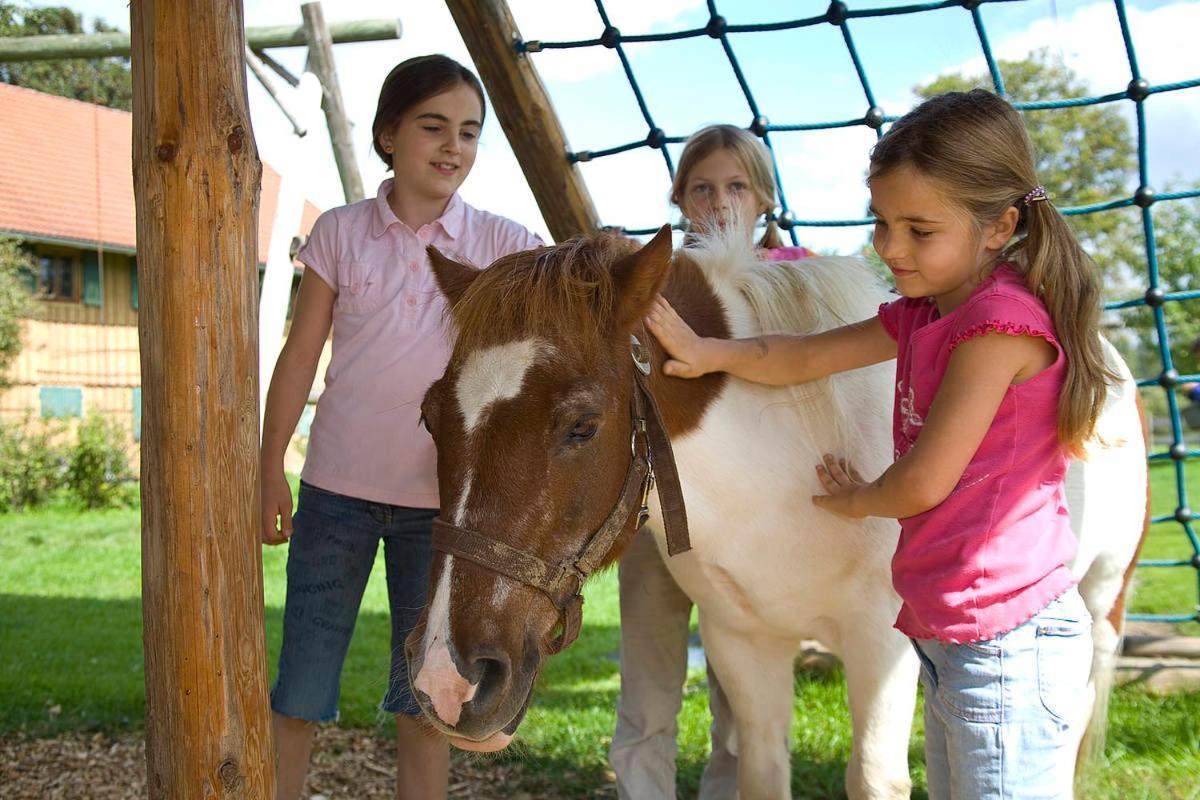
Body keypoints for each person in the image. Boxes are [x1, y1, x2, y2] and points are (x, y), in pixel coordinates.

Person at [646, 90, 1110, 799]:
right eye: (882, 223)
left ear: (999, 227)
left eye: (918, 230)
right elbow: (798, 356)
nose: (889, 247)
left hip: (1009, 637)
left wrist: (856, 498)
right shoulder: (923, 312)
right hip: (952, 627)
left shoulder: (995, 329)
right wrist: (708, 350)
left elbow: (923, 482)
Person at [259, 54, 543, 800]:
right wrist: (266, 469)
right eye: (433, 127)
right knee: (300, 689)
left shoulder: (502, 244)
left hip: (442, 513)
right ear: (389, 134)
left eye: (470, 133)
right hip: (333, 496)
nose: (453, 146)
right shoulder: (340, 234)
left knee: (428, 699)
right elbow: (298, 358)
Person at [610, 123, 812, 800]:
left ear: (764, 199)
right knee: (648, 676)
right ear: (680, 199)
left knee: (744, 689)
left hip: (753, 520)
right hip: (657, 511)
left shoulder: (800, 278)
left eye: (736, 186)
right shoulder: (657, 282)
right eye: (702, 188)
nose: (720, 202)